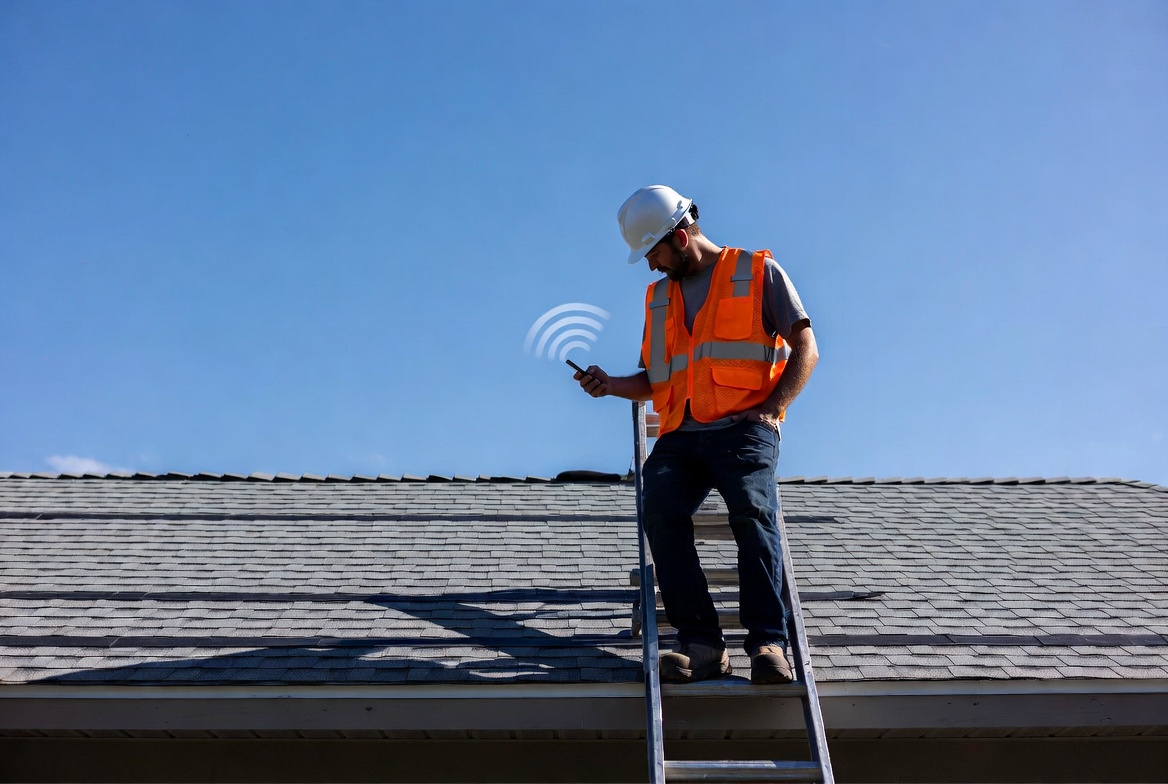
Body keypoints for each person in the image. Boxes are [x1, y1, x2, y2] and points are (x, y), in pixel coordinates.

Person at [574, 185, 818, 684]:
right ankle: (703, 645)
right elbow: (654, 377)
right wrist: (611, 385)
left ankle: (768, 643)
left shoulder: (757, 272)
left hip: (745, 429)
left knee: (753, 515)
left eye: (654, 253)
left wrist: (773, 410)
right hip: (681, 436)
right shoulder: (658, 299)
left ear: (681, 239)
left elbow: (806, 348)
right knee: (660, 512)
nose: (650, 265)